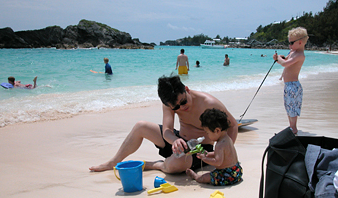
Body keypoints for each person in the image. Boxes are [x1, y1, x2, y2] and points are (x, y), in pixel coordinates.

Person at [89, 74, 238, 174]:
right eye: (176, 107)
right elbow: (167, 130)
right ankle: (113, 162)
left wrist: (225, 152)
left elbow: (233, 125)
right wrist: (175, 141)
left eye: (183, 102)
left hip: (198, 150)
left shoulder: (208, 103)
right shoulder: (169, 103)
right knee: (141, 126)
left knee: (174, 165)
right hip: (176, 142)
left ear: (186, 89)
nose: (181, 108)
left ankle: (156, 165)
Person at [186, 108, 242, 186]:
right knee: (213, 172)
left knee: (205, 177)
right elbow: (222, 154)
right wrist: (208, 154)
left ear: (217, 131)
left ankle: (196, 177)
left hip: (227, 176)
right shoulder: (227, 139)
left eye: (207, 133)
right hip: (236, 172)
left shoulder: (219, 144)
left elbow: (218, 162)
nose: (207, 135)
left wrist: (204, 158)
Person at [273, 27, 308, 135]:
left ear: (300, 42)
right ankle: (291, 127)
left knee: (292, 108)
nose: (289, 46)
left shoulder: (300, 55)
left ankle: (293, 128)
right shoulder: (293, 52)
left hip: (293, 85)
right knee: (288, 106)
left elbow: (285, 64)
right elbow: (285, 61)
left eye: (291, 43)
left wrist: (279, 59)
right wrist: (277, 59)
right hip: (288, 85)